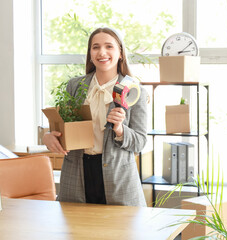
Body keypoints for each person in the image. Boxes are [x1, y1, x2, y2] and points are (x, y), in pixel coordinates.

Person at [43, 27, 148, 206]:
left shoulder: (134, 91)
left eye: (109, 46)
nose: (102, 52)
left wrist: (120, 130)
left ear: (120, 53)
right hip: (76, 175)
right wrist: (48, 136)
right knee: (77, 232)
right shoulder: (74, 86)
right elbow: (63, 128)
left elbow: (140, 142)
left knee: (119, 233)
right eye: (96, 47)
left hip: (118, 181)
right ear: (90, 54)